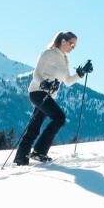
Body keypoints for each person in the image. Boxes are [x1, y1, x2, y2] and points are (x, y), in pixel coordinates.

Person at [14, 31, 93, 165]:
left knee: (35, 126)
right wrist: (44, 83)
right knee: (59, 118)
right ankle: (39, 151)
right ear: (63, 41)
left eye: (75, 46)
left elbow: (67, 80)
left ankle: (21, 158)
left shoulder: (64, 60)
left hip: (48, 95)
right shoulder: (48, 53)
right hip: (37, 92)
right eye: (71, 44)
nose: (72, 47)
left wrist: (80, 73)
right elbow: (36, 74)